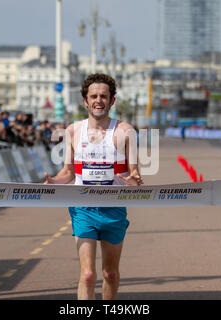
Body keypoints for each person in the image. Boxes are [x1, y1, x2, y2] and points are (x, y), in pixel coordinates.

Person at [44, 73, 143, 300]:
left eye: (104, 96)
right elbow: (68, 173)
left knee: (110, 274)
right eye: (94, 96)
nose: (99, 100)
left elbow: (135, 173)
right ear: (85, 101)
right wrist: (52, 182)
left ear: (112, 101)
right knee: (88, 275)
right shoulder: (73, 131)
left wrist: (133, 179)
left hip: (114, 209)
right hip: (83, 209)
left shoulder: (125, 131)